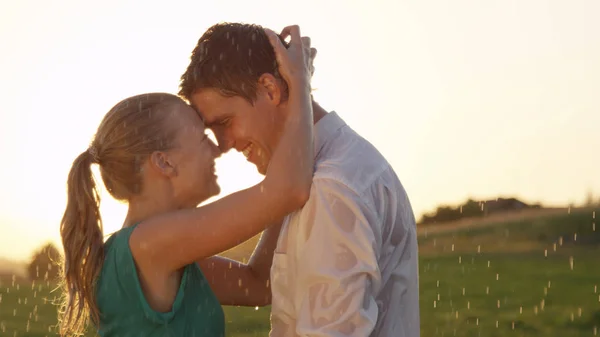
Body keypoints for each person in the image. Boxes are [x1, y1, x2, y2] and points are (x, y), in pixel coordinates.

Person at [57, 26, 314, 337]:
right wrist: (299, 85)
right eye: (201, 137)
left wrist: (281, 162)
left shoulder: (162, 251)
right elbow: (288, 191)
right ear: (164, 162)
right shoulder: (149, 244)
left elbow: (260, 284)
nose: (218, 147)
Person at [179, 22, 421, 337]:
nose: (223, 144)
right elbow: (260, 282)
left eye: (225, 122)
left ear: (270, 89)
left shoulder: (331, 187)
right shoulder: (332, 168)